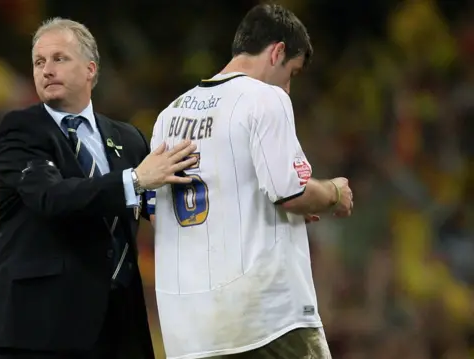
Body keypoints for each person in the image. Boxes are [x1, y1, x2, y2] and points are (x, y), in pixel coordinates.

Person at [0, 18, 197, 359]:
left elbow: (161, 205)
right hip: (35, 329)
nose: (47, 69)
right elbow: (50, 197)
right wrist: (134, 181)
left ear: (91, 69)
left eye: (59, 58)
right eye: (39, 62)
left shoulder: (127, 138)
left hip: (117, 326)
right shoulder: (22, 131)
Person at [148, 4, 354, 359]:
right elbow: (292, 193)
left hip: (190, 328)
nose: (288, 87)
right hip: (265, 319)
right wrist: (335, 193)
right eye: (292, 72)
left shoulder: (169, 115)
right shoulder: (265, 97)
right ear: (277, 52)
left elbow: (158, 214)